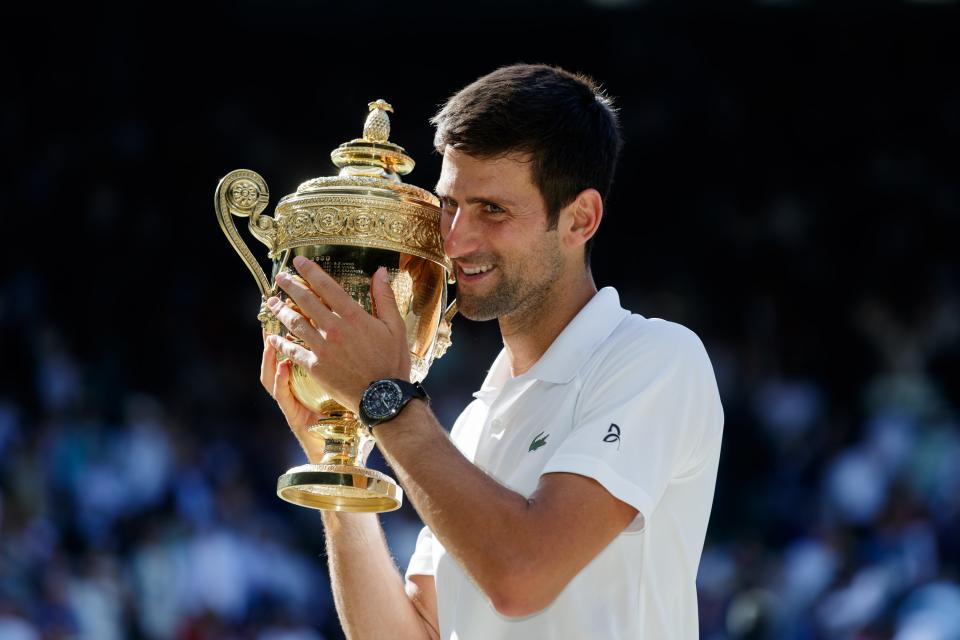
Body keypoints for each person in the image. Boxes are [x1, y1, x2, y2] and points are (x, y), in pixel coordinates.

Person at [259, 64, 724, 639]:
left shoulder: (657, 359)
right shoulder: (473, 419)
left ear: (580, 219)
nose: (455, 241)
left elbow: (523, 575)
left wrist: (385, 399)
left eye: (493, 210)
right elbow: (409, 633)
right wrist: (341, 454)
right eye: (450, 204)